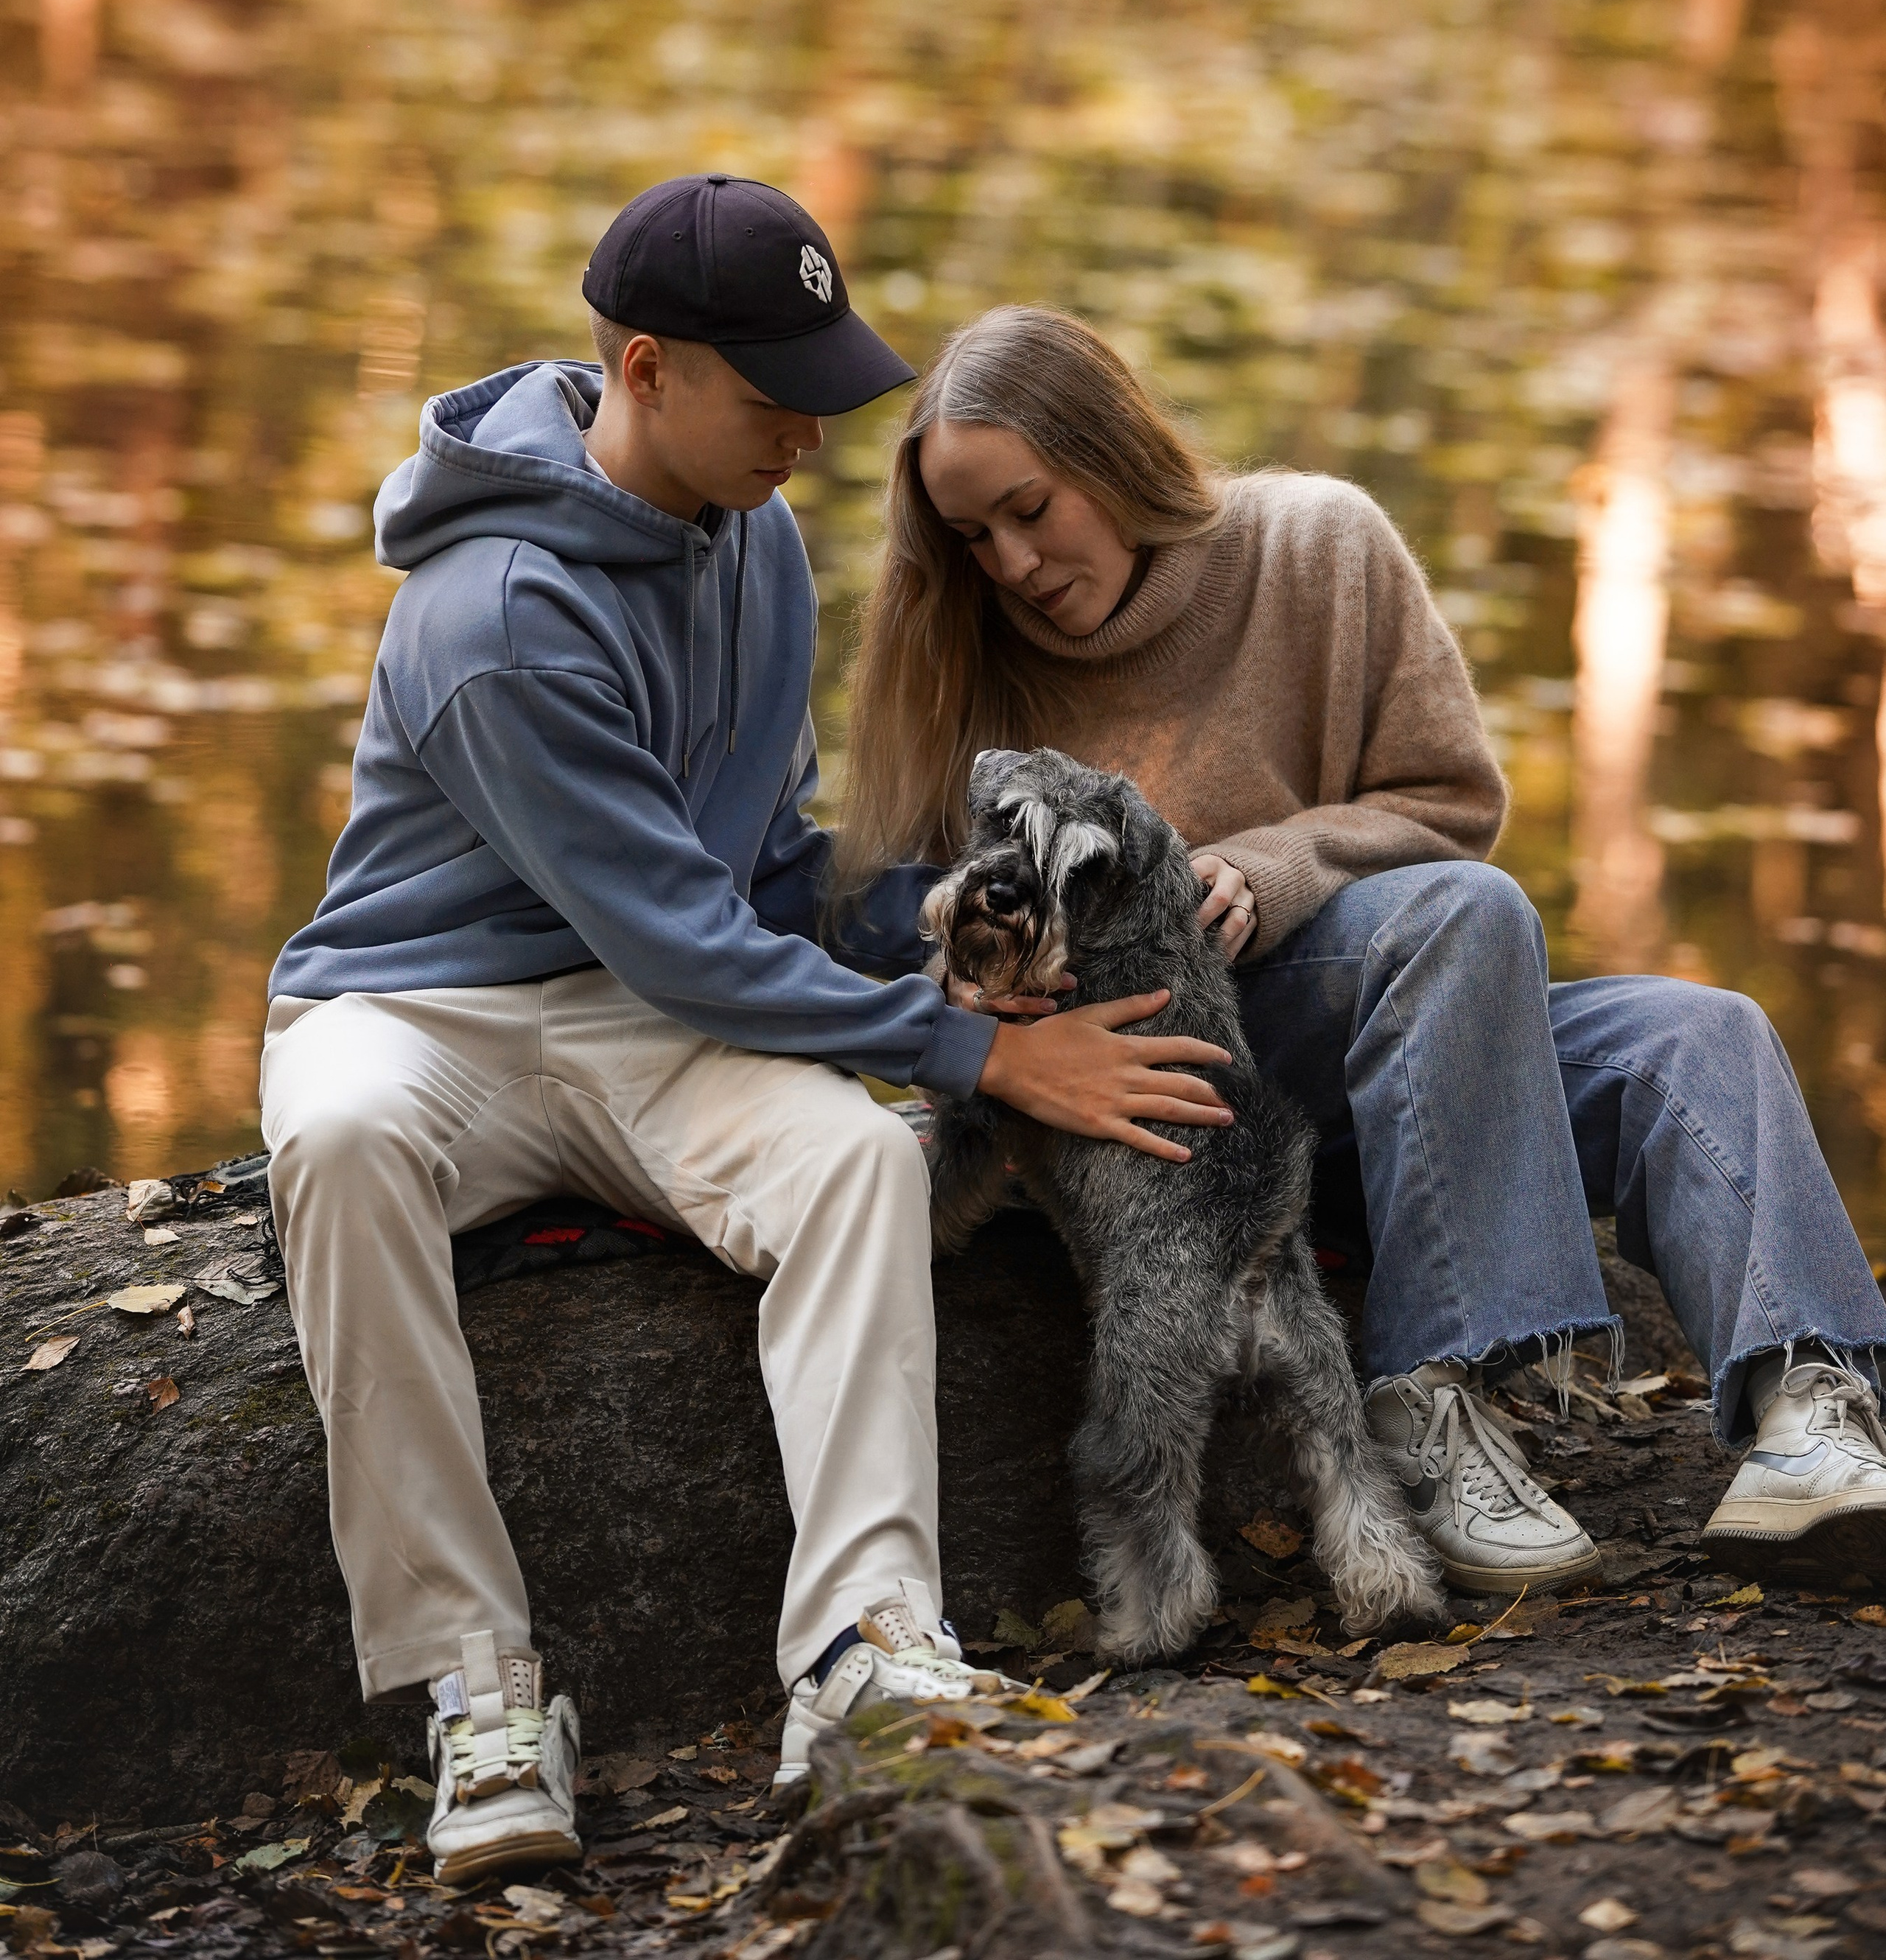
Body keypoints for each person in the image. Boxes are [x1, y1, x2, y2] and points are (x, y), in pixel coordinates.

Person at [262, 182, 1236, 1888]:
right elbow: (686, 934)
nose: (812, 423)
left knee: (855, 1159)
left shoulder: (752, 536)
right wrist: (986, 1059)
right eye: (773, 389)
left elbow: (765, 865)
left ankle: (864, 1648)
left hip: (643, 1018)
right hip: (414, 1008)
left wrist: (951, 940)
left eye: (820, 377)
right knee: (337, 1142)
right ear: (645, 369)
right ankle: (474, 1684)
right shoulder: (493, 618)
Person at [841, 303, 1886, 1597]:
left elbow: (1449, 805)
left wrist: (1277, 864)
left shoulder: (1317, 545)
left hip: (1388, 1045)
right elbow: (903, 919)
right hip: (1174, 1095)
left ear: (1112, 454)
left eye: (1030, 508)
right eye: (970, 535)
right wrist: (981, 1005)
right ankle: (1430, 1406)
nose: (1008, 562)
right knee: (1470, 915)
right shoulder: (957, 654)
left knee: (1698, 1031)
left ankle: (1808, 1421)